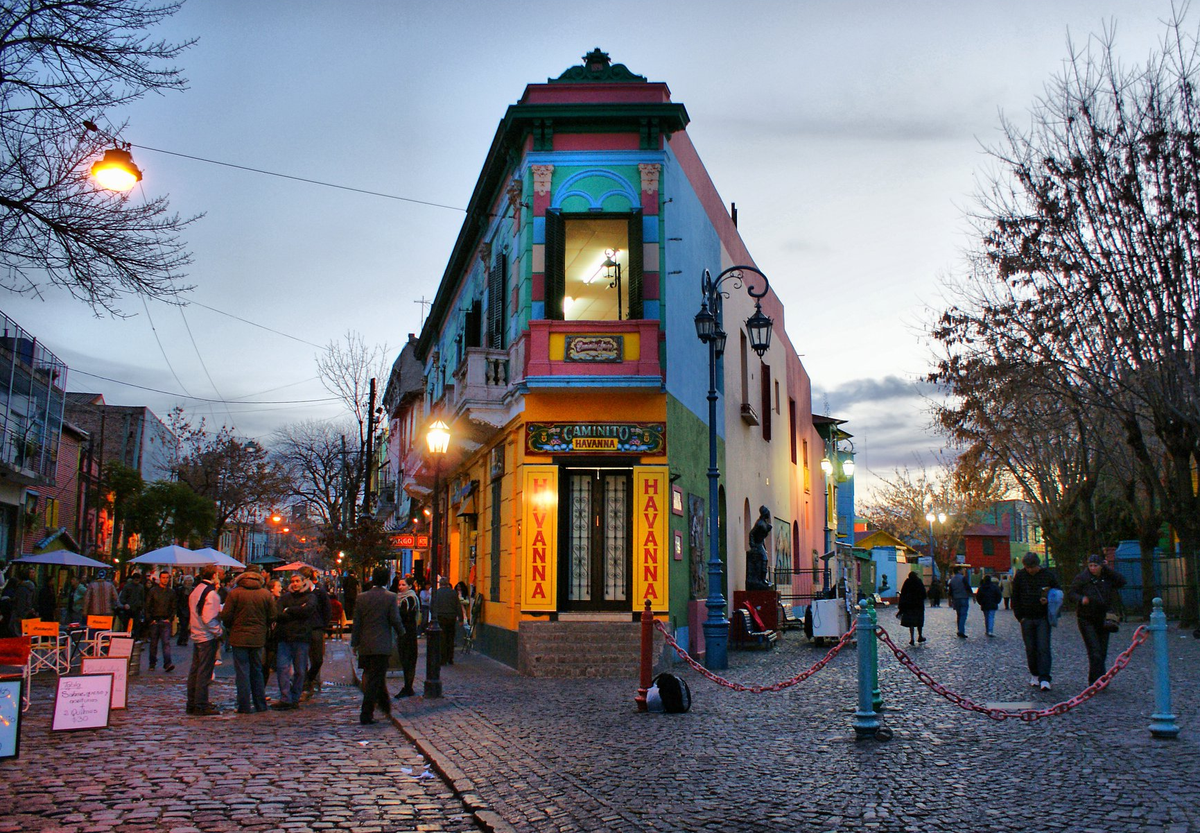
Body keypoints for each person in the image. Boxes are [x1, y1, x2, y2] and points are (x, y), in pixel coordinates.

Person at [352, 566, 406, 725]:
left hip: (366, 644)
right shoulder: (390, 597)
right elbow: (395, 619)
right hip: (382, 645)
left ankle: (384, 705)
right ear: (386, 579)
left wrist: (355, 643)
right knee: (375, 679)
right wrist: (402, 633)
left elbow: (357, 623)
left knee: (374, 675)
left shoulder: (361, 597)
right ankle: (366, 713)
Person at [221, 565, 276, 714]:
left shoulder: (235, 594)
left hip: (239, 636)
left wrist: (232, 626)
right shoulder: (265, 594)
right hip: (258, 637)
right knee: (257, 670)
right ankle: (260, 704)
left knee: (242, 672)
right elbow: (272, 616)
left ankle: (244, 705)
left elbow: (226, 616)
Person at [1068, 554, 1128, 685]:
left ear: (1101, 566)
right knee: (1094, 650)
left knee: (1102, 651)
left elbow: (1122, 581)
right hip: (1086, 618)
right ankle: (1095, 681)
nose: (1093, 568)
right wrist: (1081, 599)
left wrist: (1107, 569)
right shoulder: (1082, 578)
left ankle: (1100, 679)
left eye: (1096, 566)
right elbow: (1071, 593)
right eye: (1090, 566)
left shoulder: (1107, 577)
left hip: (1103, 618)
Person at [1011, 552, 1060, 691]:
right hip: (1026, 618)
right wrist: (1020, 617)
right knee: (1031, 648)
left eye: (1032, 567)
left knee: (1043, 647)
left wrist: (1049, 600)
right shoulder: (1020, 576)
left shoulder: (1048, 575)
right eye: (1028, 567)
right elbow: (1015, 596)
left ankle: (1045, 677)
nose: (1030, 570)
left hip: (1043, 617)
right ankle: (1034, 674)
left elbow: (1058, 592)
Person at [272, 573, 315, 710]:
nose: (295, 584)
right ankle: (286, 697)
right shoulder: (285, 597)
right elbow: (278, 614)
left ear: (303, 582)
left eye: (297, 581)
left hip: (301, 637)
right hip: (284, 637)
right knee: (282, 668)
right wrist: (298, 611)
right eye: (293, 581)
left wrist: (289, 610)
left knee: (300, 670)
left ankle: (295, 697)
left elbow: (308, 611)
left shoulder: (310, 597)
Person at [186, 565, 225, 716]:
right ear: (214, 575)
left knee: (195, 670)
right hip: (206, 636)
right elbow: (208, 618)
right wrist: (219, 632)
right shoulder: (211, 593)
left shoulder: (197, 590)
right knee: (204, 671)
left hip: (197, 633)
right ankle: (200, 704)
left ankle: (192, 702)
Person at [299, 566, 330, 696]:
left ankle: (310, 679)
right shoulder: (298, 593)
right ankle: (304, 685)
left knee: (317, 659)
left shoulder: (319, 592)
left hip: (316, 628)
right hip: (301, 629)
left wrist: (323, 625)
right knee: (301, 659)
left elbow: (327, 609)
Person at [393, 576, 420, 699]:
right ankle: (408, 686)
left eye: (403, 585)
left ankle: (408, 687)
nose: (400, 587)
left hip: (408, 633)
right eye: (399, 585)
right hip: (404, 633)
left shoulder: (409, 599)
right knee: (405, 659)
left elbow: (406, 616)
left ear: (409, 586)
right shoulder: (401, 599)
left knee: (408, 659)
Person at [145, 571, 177, 672]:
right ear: (160, 578)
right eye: (163, 577)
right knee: (153, 643)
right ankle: (152, 663)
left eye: (167, 578)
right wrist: (150, 620)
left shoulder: (171, 592)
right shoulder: (153, 591)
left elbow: (174, 607)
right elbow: (147, 606)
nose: (165, 580)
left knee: (166, 643)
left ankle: (167, 663)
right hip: (155, 620)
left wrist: (170, 619)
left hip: (165, 620)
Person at [430, 576, 464, 665]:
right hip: (451, 618)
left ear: (440, 584)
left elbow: (431, 606)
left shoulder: (436, 593)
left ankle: (443, 658)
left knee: (442, 638)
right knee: (450, 638)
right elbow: (458, 606)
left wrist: (434, 617)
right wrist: (461, 618)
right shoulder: (453, 593)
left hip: (440, 618)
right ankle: (450, 657)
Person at [262, 577, 283, 688]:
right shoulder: (269, 601)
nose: (281, 588)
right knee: (264, 665)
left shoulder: (279, 601)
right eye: (278, 586)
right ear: (271, 589)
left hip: (273, 636)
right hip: (267, 637)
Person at [896, 571, 927, 645]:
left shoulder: (907, 582)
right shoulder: (918, 582)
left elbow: (903, 594)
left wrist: (901, 607)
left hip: (909, 606)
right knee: (919, 621)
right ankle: (920, 636)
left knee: (911, 623)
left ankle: (912, 638)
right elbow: (923, 593)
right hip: (918, 605)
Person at [117, 571, 146, 638]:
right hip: (129, 608)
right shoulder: (128, 586)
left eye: (138, 580)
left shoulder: (140, 587)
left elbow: (142, 598)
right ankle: (126, 636)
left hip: (136, 608)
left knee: (136, 624)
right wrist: (125, 604)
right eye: (136, 580)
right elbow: (122, 597)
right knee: (127, 624)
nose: (137, 581)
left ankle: (135, 637)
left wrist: (141, 606)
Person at [948, 566, 973, 638]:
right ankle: (961, 631)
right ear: (959, 571)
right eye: (962, 570)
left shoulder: (952, 580)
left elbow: (950, 591)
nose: (963, 571)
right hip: (964, 597)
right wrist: (973, 596)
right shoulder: (963, 578)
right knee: (963, 615)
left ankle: (959, 629)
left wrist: (950, 601)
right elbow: (967, 587)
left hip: (956, 599)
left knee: (959, 615)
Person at [9, 567, 36, 634]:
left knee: (15, 629)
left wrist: (20, 615)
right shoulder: (31, 587)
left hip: (20, 612)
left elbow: (21, 602)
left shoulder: (22, 588)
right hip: (28, 611)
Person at [175, 574, 194, 646]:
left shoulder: (193, 589)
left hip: (190, 610)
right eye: (187, 581)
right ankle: (183, 640)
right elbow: (178, 600)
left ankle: (182, 639)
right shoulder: (180, 589)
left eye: (190, 581)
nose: (189, 582)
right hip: (182, 610)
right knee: (184, 625)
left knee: (186, 626)